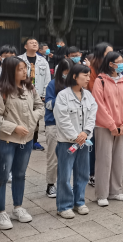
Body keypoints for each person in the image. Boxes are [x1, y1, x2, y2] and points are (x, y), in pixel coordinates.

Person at [0, 56, 44, 230]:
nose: (24, 72)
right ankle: (0, 211)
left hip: (26, 139)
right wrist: (14, 127)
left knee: (20, 174)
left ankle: (18, 207)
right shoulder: (0, 90)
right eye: (20, 69)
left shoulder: (29, 87)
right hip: (7, 140)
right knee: (2, 176)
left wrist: (33, 120)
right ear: (10, 71)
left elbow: (40, 106)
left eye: (25, 68)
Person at [53, 64, 97, 219]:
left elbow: (92, 115)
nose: (88, 78)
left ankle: (79, 202)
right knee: (64, 175)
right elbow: (62, 119)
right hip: (67, 142)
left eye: (89, 75)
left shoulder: (88, 95)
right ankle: (64, 206)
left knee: (83, 173)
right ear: (74, 76)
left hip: (84, 141)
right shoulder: (63, 95)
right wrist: (75, 136)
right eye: (85, 75)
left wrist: (85, 133)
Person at [91, 51, 123, 206]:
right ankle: (102, 194)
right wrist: (111, 125)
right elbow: (99, 105)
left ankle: (116, 191)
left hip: (121, 127)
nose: (122, 64)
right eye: (119, 61)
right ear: (110, 64)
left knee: (118, 159)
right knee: (104, 160)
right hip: (104, 127)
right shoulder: (100, 81)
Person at [43, 58, 74, 198]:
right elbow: (48, 104)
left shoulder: (75, 85)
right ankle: (50, 184)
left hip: (70, 125)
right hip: (54, 124)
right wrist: (63, 96)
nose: (67, 74)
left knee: (68, 157)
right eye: (65, 72)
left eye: (69, 72)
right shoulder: (53, 84)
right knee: (53, 156)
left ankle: (64, 183)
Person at [86, 42, 113, 187]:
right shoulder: (91, 70)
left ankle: (104, 173)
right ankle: (92, 174)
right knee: (94, 145)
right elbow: (92, 92)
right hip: (94, 113)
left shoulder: (111, 70)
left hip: (109, 113)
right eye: (108, 53)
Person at [19, 38, 51, 151]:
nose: (34, 44)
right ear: (25, 46)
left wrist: (45, 94)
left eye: (36, 43)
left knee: (36, 118)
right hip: (23, 93)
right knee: (22, 116)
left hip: (38, 94)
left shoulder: (43, 61)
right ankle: (23, 139)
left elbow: (47, 78)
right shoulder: (19, 59)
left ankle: (34, 141)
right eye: (31, 43)